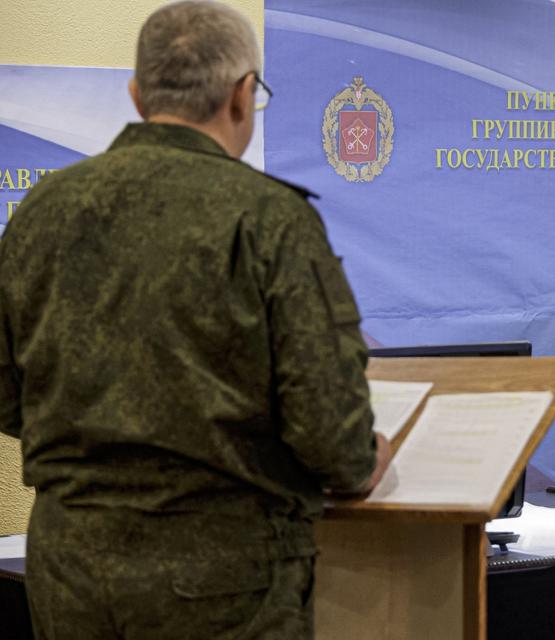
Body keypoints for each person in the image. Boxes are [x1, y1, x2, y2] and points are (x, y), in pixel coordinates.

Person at [0, 2, 392, 638]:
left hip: (68, 571)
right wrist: (362, 457)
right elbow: (330, 428)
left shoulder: (41, 210)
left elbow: (4, 387)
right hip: (225, 581)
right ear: (242, 95)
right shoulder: (269, 219)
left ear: (137, 94)